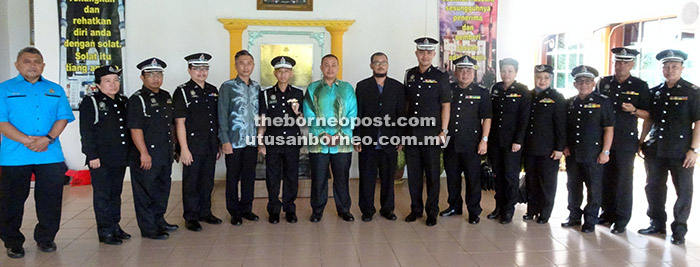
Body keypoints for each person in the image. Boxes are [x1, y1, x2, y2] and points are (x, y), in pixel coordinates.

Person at [0, 47, 75, 258]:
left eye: (37, 61)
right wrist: (28, 141)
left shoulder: (55, 90)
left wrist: (48, 139)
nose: (32, 65)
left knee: (50, 199)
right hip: (15, 155)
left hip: (50, 154)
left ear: (43, 65)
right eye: (27, 61)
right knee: (11, 201)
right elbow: (1, 122)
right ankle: (12, 241)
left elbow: (63, 117)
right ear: (17, 65)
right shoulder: (3, 89)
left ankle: (46, 237)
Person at [638, 49, 699, 245]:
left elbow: (699, 122)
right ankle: (656, 223)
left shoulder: (692, 92)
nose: (670, 70)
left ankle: (679, 229)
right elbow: (649, 118)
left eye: (674, 66)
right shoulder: (655, 92)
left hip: (681, 150)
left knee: (683, 190)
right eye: (666, 66)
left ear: (682, 68)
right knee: (653, 187)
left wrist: (694, 150)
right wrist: (642, 140)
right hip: (656, 148)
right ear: (662, 69)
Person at [596, 48, 650, 234]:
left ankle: (621, 219)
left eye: (626, 63)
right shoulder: (603, 83)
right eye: (618, 62)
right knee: (605, 178)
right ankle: (606, 214)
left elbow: (649, 114)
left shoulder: (640, 86)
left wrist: (634, 110)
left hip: (625, 140)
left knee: (623, 181)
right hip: (603, 140)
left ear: (632, 64)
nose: (621, 66)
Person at [79, 65, 131, 245]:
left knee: (116, 193)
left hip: (119, 157)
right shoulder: (91, 101)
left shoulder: (122, 101)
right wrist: (91, 155)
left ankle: (115, 225)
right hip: (100, 159)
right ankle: (105, 231)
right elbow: (86, 131)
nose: (113, 84)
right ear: (99, 84)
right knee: (102, 195)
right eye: (107, 81)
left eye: (116, 80)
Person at [127, 57, 178, 240]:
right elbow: (135, 129)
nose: (156, 78)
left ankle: (159, 220)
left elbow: (170, 124)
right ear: (142, 77)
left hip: (164, 153)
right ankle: (148, 228)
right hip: (147, 154)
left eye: (159, 74)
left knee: (162, 188)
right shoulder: (137, 99)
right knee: (145, 191)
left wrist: (175, 147)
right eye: (151, 74)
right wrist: (144, 153)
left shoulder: (165, 96)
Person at [303, 54, 357, 223]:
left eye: (334, 65)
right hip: (319, 144)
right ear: (321, 67)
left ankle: (344, 209)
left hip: (342, 144)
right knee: (319, 178)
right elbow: (309, 114)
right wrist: (324, 135)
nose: (330, 68)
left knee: (342, 177)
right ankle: (317, 210)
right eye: (326, 65)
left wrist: (338, 136)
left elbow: (352, 114)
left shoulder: (347, 88)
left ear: (338, 67)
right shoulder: (312, 89)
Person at [403, 37, 451, 226]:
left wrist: (444, 131)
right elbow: (406, 104)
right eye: (421, 52)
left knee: (432, 175)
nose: (425, 55)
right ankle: (416, 209)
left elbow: (446, 105)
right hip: (412, 133)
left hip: (432, 134)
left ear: (433, 54)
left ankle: (432, 211)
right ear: (416, 54)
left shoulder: (441, 75)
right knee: (414, 175)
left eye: (428, 52)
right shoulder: (409, 74)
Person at [173, 53, 222, 232]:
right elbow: (180, 123)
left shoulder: (212, 90)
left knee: (207, 181)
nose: (202, 72)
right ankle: (191, 216)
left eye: (205, 69)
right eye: (197, 69)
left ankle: (205, 212)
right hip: (192, 145)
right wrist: (183, 149)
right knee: (191, 182)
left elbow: (215, 120)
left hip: (209, 144)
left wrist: (217, 144)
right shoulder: (182, 91)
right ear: (189, 70)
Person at [562, 65, 614, 233]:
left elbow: (608, 129)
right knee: (573, 186)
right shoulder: (570, 103)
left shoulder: (602, 102)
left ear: (594, 83)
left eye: (587, 81)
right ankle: (574, 216)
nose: (583, 84)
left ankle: (590, 220)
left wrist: (605, 151)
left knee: (594, 188)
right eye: (580, 81)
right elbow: (566, 129)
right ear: (575, 84)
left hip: (594, 154)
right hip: (574, 154)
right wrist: (565, 146)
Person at [439, 55, 491, 224]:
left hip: (472, 144)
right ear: (455, 72)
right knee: (452, 177)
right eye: (461, 70)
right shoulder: (449, 89)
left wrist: (484, 140)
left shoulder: (481, 92)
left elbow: (487, 118)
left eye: (469, 70)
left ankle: (474, 210)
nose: (465, 74)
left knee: (472, 179)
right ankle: (454, 206)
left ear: (474, 73)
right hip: (451, 142)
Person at [353, 52, 405, 222]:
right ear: (371, 66)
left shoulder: (397, 87)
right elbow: (357, 114)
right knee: (367, 178)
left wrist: (400, 137)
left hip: (389, 141)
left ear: (388, 65)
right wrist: (357, 136)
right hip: (368, 140)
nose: (381, 65)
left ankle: (387, 209)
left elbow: (401, 115)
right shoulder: (362, 86)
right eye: (377, 62)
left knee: (388, 178)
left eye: (384, 62)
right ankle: (367, 210)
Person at [258, 56, 304, 224]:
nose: (283, 74)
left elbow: (302, 121)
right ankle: (274, 209)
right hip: (273, 141)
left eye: (286, 71)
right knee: (273, 176)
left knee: (292, 176)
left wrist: (297, 111)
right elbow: (262, 119)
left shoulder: (298, 94)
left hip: (292, 142)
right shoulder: (265, 94)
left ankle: (290, 209)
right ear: (275, 73)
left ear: (291, 73)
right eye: (280, 71)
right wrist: (260, 142)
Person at [486, 58, 531, 224]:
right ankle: (498, 206)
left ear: (516, 72)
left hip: (513, 143)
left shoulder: (522, 91)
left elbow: (524, 118)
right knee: (497, 176)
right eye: (504, 70)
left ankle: (508, 210)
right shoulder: (495, 88)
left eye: (510, 71)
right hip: (495, 141)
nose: (506, 74)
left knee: (511, 177)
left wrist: (518, 140)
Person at [218, 50, 260, 225]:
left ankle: (247, 209)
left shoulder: (257, 87)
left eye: (249, 63)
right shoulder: (227, 87)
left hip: (252, 141)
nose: (245, 66)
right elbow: (222, 114)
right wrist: (224, 140)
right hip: (234, 141)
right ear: (235, 65)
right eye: (242, 63)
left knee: (249, 176)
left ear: (253, 65)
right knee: (233, 177)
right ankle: (234, 211)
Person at [522, 64, 565, 224]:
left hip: (548, 148)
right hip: (530, 146)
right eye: (539, 77)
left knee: (547, 182)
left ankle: (545, 212)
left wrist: (559, 148)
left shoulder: (556, 97)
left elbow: (561, 125)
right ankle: (532, 209)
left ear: (551, 79)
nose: (542, 81)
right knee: (531, 180)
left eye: (546, 78)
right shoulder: (529, 95)